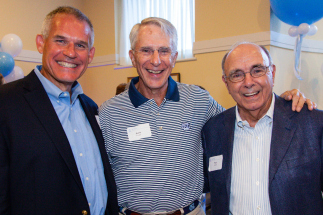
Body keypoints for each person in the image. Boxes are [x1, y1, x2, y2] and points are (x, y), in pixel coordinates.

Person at [99, 17, 314, 215]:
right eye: (146, 50)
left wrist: (285, 100)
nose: (156, 61)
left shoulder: (198, 100)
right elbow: (99, 179)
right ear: (132, 57)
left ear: (174, 58)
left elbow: (242, 116)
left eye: (164, 51)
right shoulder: (109, 112)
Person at [0, 6, 118, 215]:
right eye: (61, 41)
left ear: (90, 54)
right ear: (40, 43)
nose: (70, 52)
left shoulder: (90, 108)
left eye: (80, 45)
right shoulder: (6, 103)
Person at [202, 42, 323, 215]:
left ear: (272, 72)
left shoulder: (312, 124)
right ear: (226, 83)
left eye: (257, 70)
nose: (248, 82)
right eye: (237, 75)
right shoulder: (212, 131)